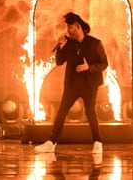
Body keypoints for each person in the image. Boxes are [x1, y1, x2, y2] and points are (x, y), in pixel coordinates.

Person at [34, 12, 108, 154]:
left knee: (90, 113)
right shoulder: (69, 44)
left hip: (89, 84)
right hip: (72, 84)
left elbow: (104, 64)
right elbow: (59, 62)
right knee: (61, 112)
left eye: (70, 28)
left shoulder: (95, 43)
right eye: (67, 27)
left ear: (78, 27)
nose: (68, 30)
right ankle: (51, 142)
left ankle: (98, 142)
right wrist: (61, 47)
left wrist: (89, 67)